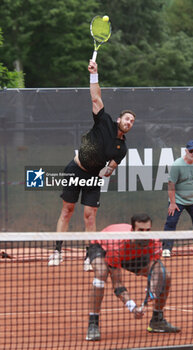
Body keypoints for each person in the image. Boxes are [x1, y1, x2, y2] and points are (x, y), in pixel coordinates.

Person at [48, 60, 135, 266]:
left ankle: (89, 255)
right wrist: (94, 74)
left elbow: (110, 168)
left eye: (132, 121)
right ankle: (57, 252)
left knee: (90, 216)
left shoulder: (122, 149)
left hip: (93, 178)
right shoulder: (104, 121)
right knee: (67, 210)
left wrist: (107, 170)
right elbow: (95, 97)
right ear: (119, 119)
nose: (129, 122)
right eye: (127, 118)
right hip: (75, 169)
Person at [86, 213, 180, 341]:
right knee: (101, 273)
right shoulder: (116, 245)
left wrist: (153, 287)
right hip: (102, 247)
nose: (144, 234)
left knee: (166, 276)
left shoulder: (154, 242)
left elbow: (156, 271)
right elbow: (117, 284)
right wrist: (132, 307)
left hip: (132, 255)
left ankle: (157, 320)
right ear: (132, 230)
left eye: (147, 230)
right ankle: (93, 323)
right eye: (140, 230)